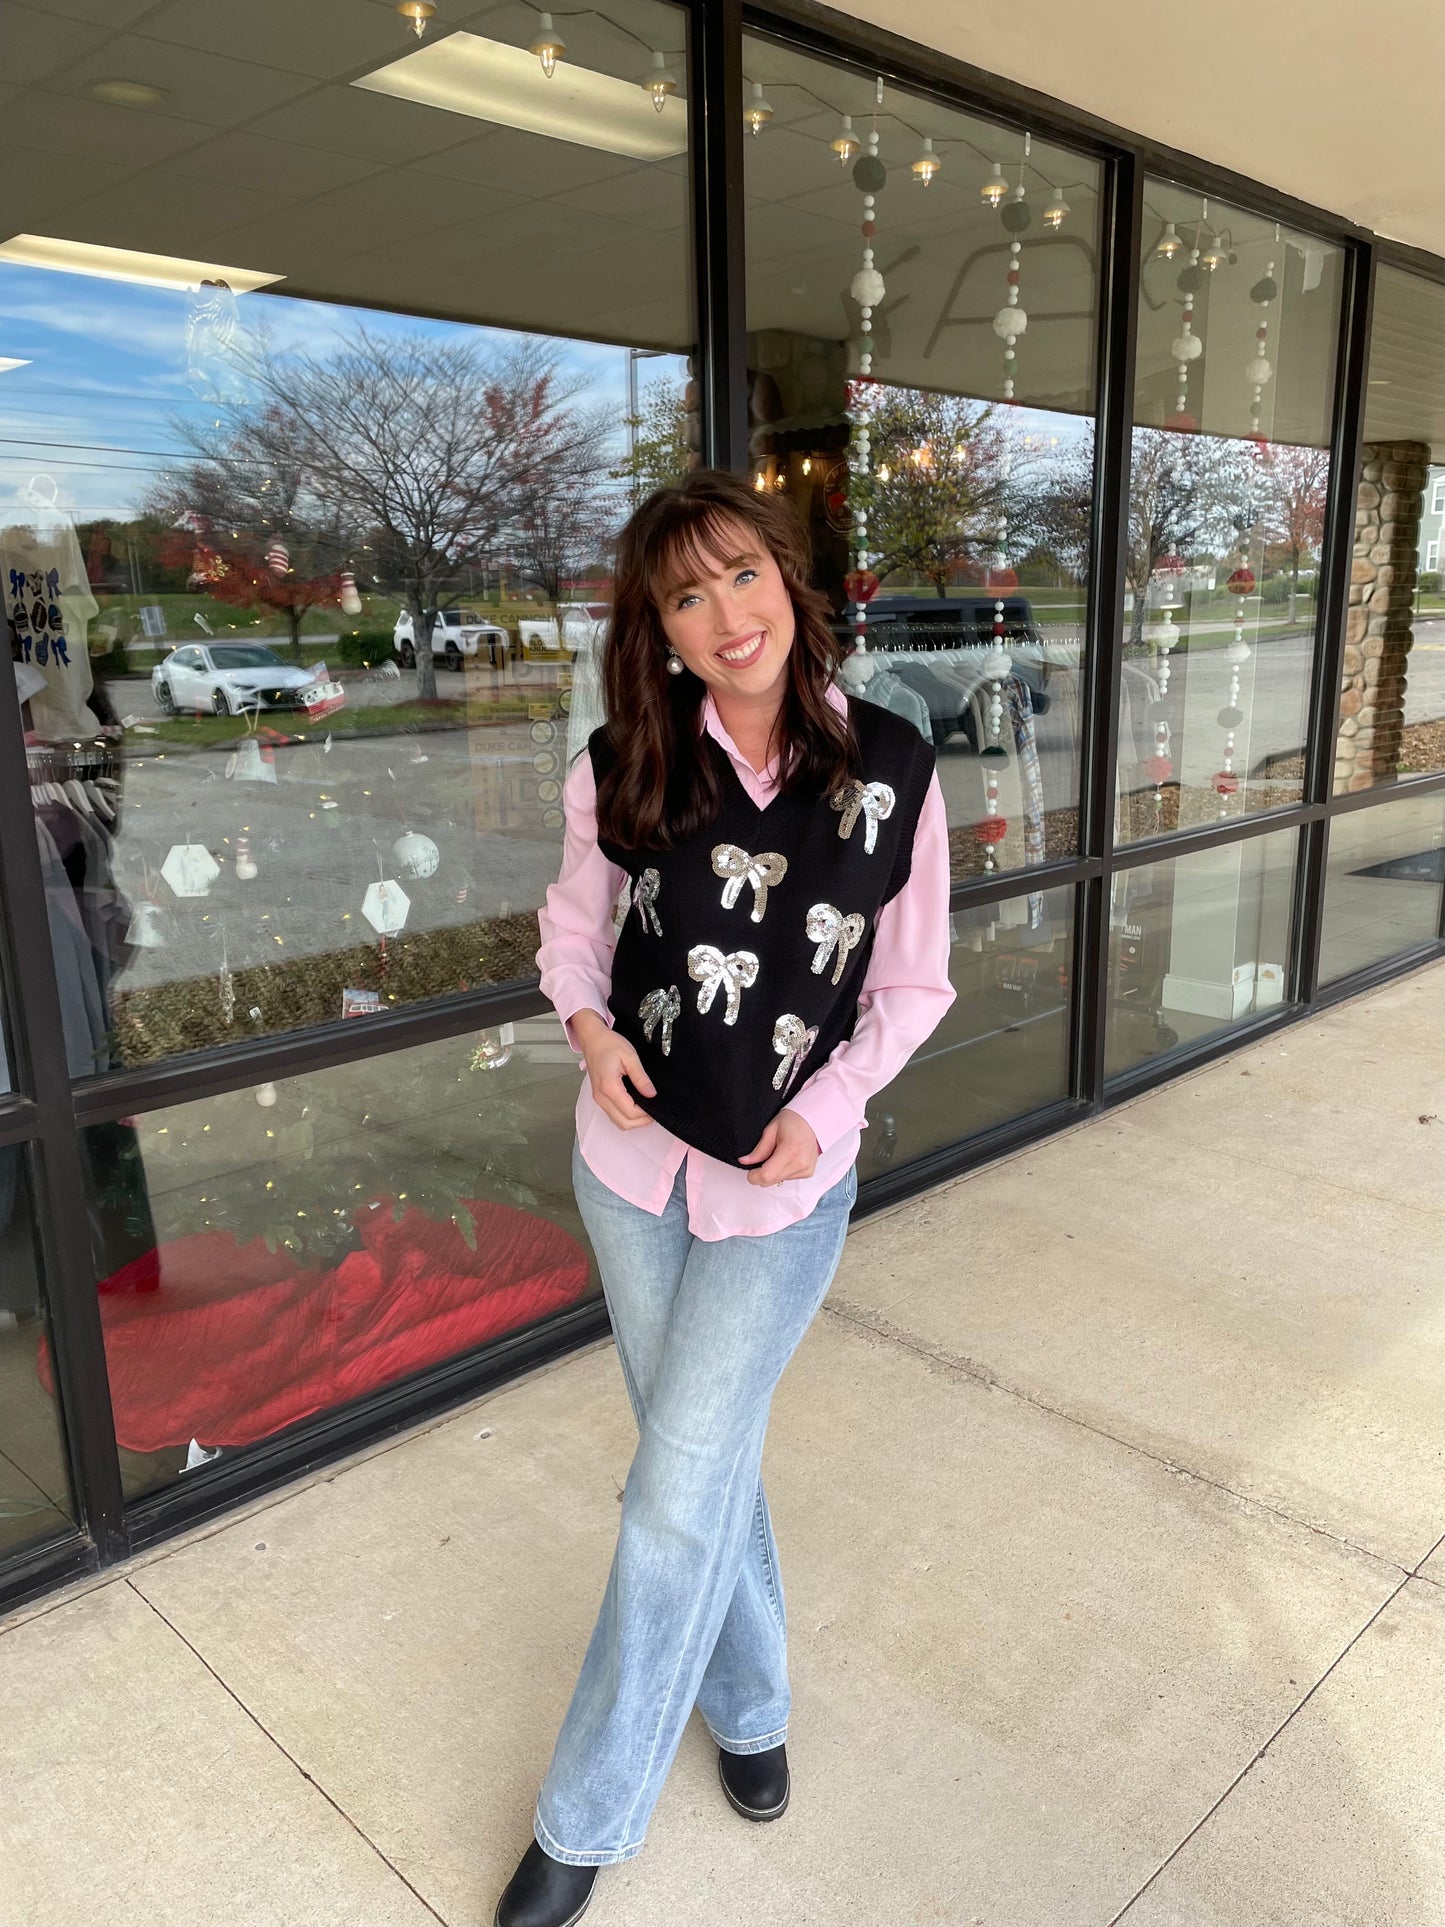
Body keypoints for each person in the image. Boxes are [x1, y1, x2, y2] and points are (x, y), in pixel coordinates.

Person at [497, 468, 955, 1927]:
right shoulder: (621, 761)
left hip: (780, 1189)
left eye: (742, 576)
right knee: (699, 1469)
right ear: (660, 627)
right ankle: (751, 1709)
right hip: (629, 1169)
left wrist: (824, 1115)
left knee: (667, 1500)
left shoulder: (890, 765)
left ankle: (585, 1816)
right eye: (686, 595)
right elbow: (571, 938)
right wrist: (588, 1031)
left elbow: (912, 982)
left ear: (788, 585)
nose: (724, 613)